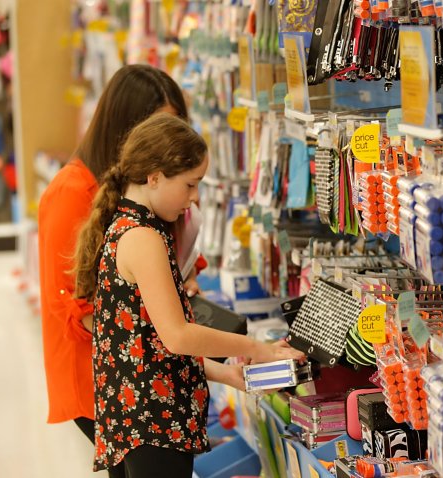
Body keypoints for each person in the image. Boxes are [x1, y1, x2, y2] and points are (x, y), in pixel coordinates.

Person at [37, 65, 244, 478]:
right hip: (114, 381)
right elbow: (84, 305)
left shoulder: (144, 206)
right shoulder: (75, 193)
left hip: (143, 378)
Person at [72, 114, 305, 476]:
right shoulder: (143, 238)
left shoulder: (126, 226)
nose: (194, 198)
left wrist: (227, 375)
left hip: (137, 417)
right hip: (154, 423)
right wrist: (258, 349)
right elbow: (178, 336)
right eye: (190, 185)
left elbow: (150, 344)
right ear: (154, 177)